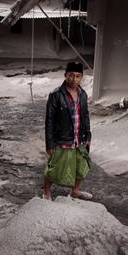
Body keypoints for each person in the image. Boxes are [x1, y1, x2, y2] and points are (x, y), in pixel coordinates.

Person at [43, 61, 92, 200]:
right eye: (71, 75)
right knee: (55, 167)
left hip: (80, 137)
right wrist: (50, 143)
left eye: (78, 76)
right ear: (65, 75)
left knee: (81, 166)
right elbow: (50, 120)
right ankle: (46, 192)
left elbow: (86, 115)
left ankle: (75, 191)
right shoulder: (56, 94)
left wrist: (88, 136)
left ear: (81, 77)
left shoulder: (83, 94)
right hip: (63, 138)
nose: (74, 79)